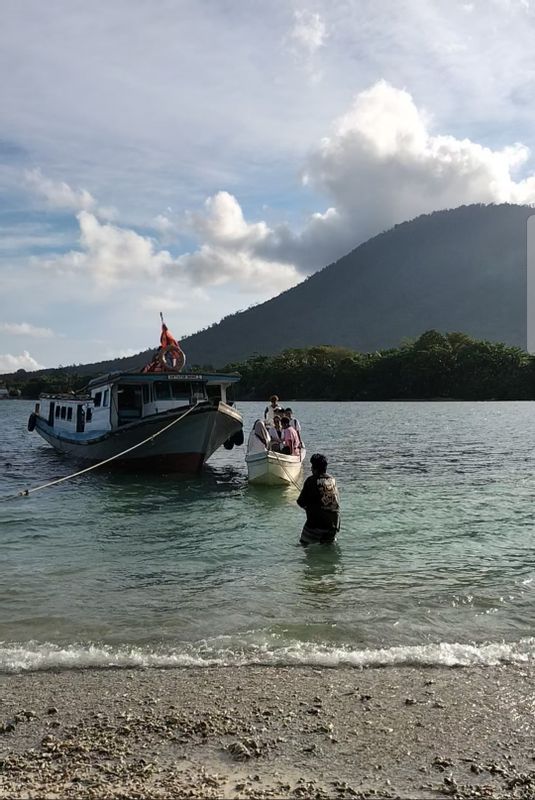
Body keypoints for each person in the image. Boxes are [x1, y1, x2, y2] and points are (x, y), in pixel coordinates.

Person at [297, 454, 340, 545]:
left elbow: (300, 502)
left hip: (316, 525)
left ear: (315, 468)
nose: (311, 469)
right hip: (334, 525)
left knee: (303, 545)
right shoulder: (332, 480)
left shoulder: (311, 480)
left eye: (312, 466)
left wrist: (309, 507)